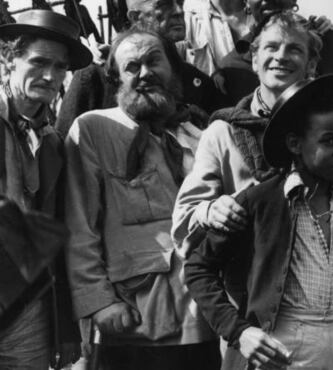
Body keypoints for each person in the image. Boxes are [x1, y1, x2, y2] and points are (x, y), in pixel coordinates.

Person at [186, 75, 333, 370]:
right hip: (279, 356)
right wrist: (240, 331)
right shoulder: (259, 202)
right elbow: (198, 268)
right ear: (294, 143)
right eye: (328, 141)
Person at [63, 28, 219, 369]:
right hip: (133, 321)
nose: (145, 73)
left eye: (153, 62)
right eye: (132, 67)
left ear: (174, 71)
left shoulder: (201, 136)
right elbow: (79, 226)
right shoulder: (93, 130)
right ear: (117, 79)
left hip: (205, 320)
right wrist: (100, 303)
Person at [172, 11, 333, 263]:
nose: (281, 57)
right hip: (255, 278)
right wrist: (211, 211)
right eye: (271, 47)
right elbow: (183, 220)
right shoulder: (223, 133)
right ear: (255, 60)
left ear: (311, 65)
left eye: (295, 49)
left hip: (330, 270)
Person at [0, 10, 88, 369]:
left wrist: (65, 326)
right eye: (38, 62)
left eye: (60, 67)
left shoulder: (51, 143)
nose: (50, 76)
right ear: (9, 60)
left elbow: (55, 234)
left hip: (27, 309)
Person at [56, 0, 222, 137]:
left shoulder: (196, 81)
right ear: (135, 17)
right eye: (164, 5)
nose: (178, 11)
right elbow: (64, 145)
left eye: (180, 3)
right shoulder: (96, 78)